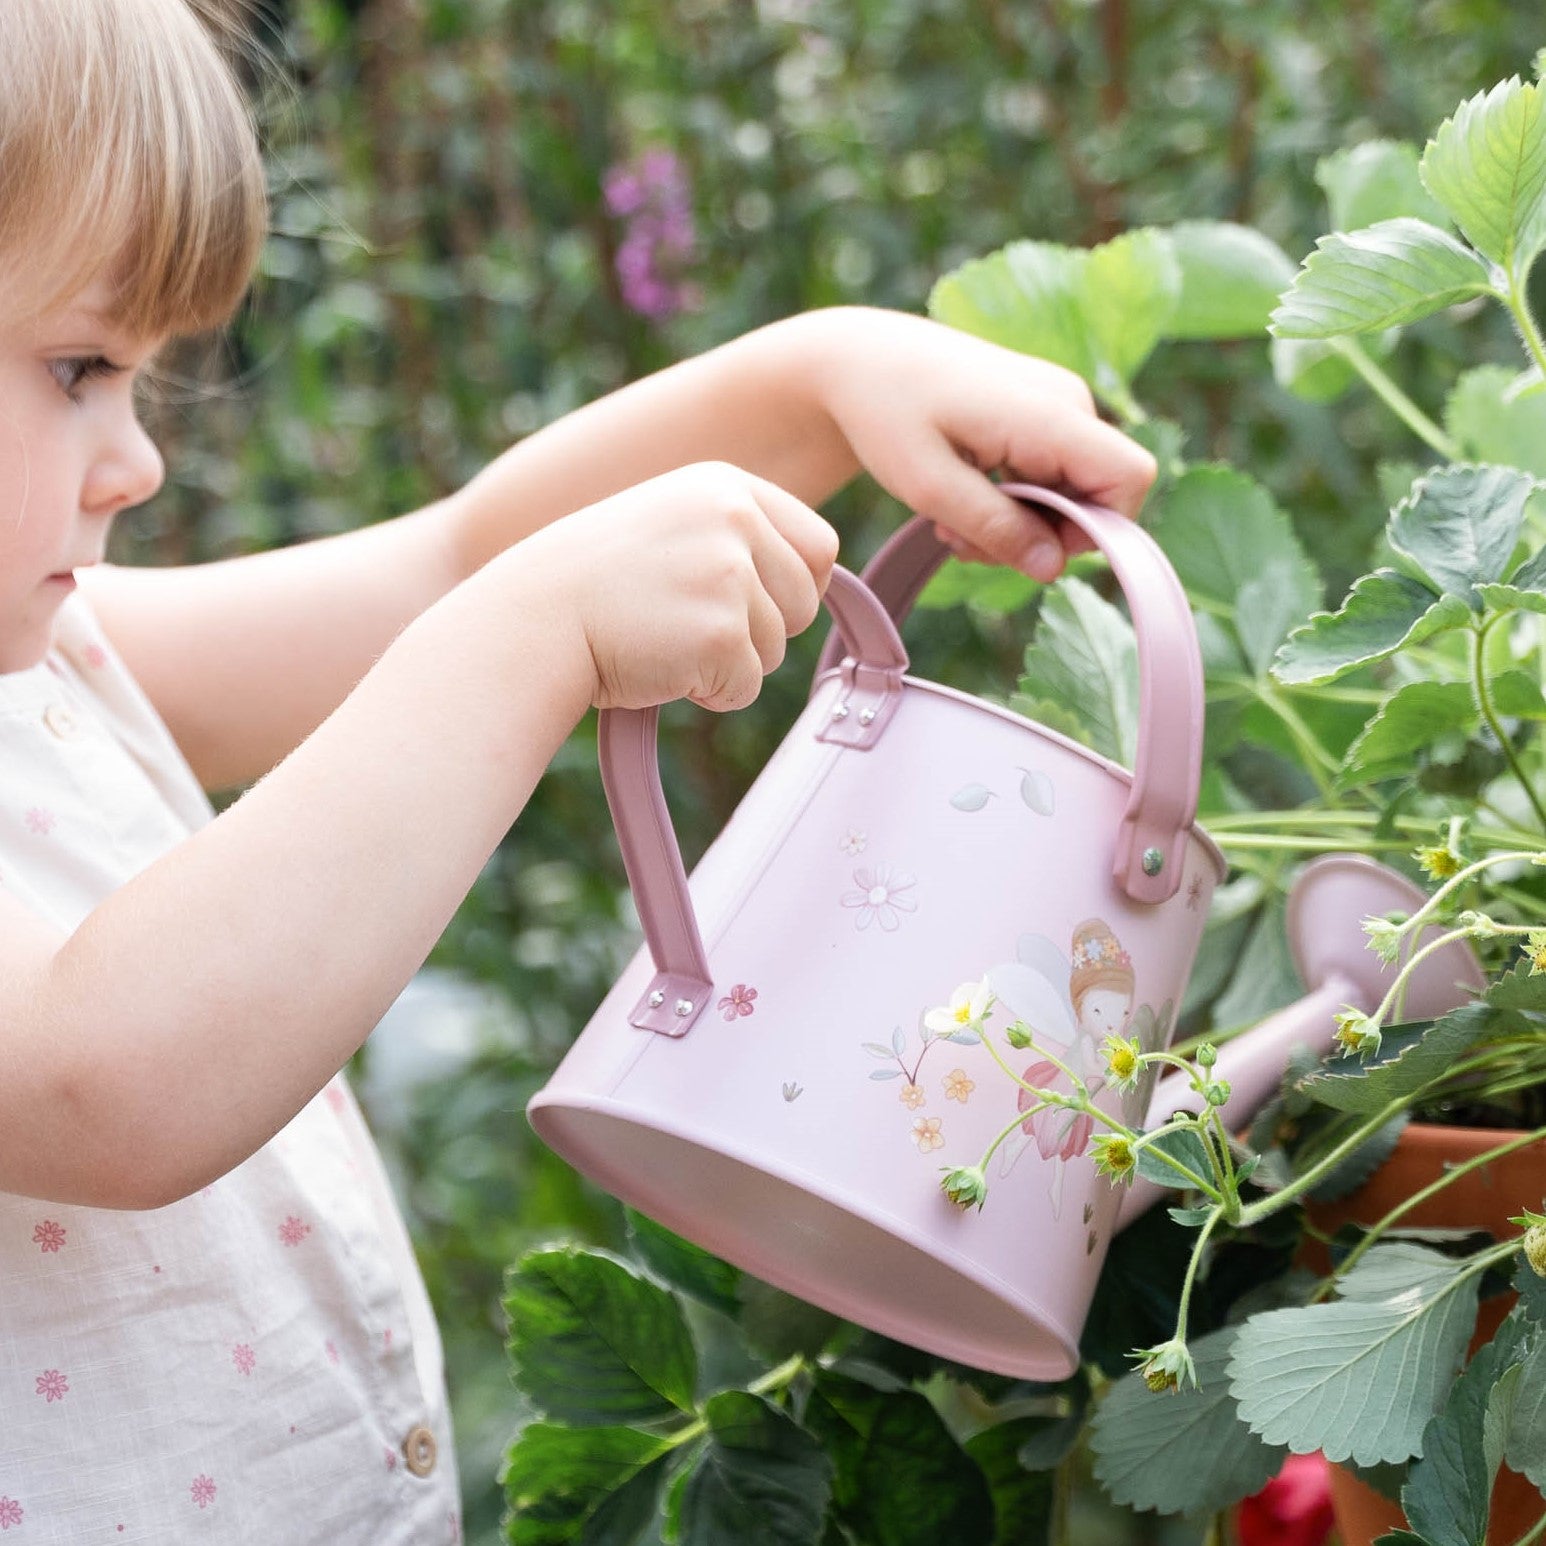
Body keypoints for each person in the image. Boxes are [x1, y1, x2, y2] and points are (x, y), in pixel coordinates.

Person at [0, 1, 1156, 1540]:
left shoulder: (58, 667)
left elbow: (449, 562)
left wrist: (816, 383)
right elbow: (104, 1074)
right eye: (80, 363)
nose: (134, 454)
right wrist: (531, 639)